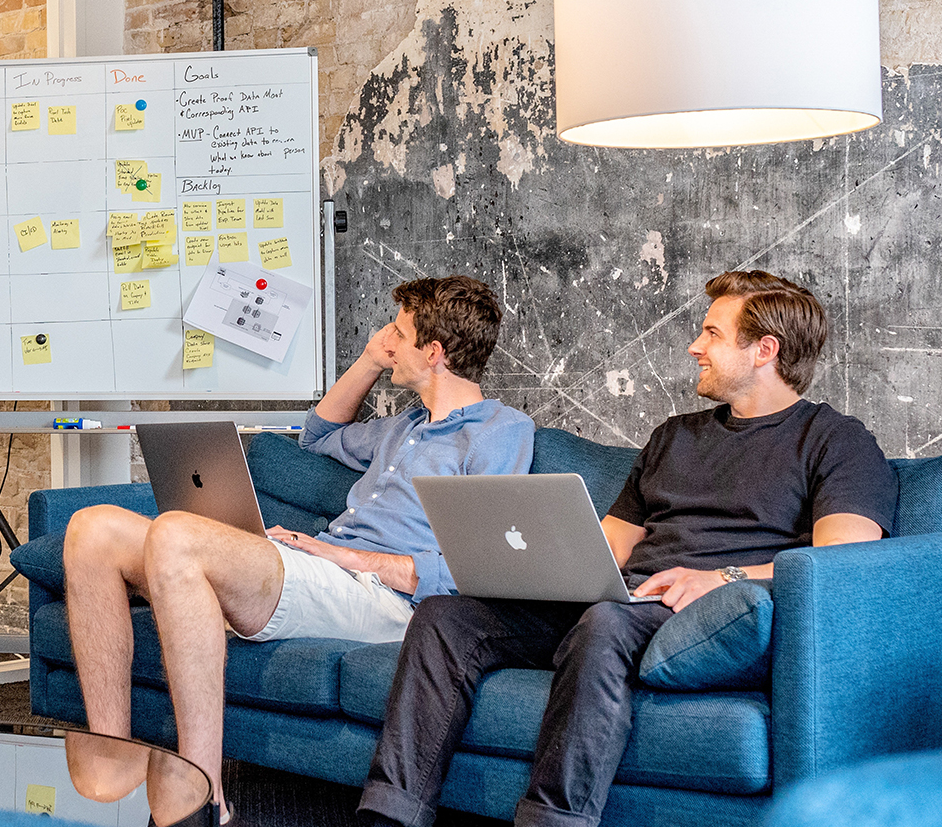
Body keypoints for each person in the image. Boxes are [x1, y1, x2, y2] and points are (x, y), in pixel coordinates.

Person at [358, 270, 897, 827]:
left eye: (712, 333)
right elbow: (611, 546)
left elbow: (840, 565)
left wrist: (723, 578)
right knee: (448, 617)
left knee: (606, 623)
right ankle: (390, 815)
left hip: (714, 613)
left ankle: (553, 821)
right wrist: (535, 567)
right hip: (629, 601)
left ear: (765, 349)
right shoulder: (674, 435)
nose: (695, 346)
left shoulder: (837, 441)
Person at [63, 275, 535, 821]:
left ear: (433, 352)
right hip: (321, 571)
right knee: (91, 530)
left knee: (175, 534)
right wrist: (368, 360)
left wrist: (350, 557)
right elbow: (317, 436)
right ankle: (113, 753)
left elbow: (478, 566)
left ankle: (204, 797)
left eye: (398, 334)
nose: (387, 338)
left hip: (384, 600)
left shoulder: (499, 431)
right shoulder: (401, 427)